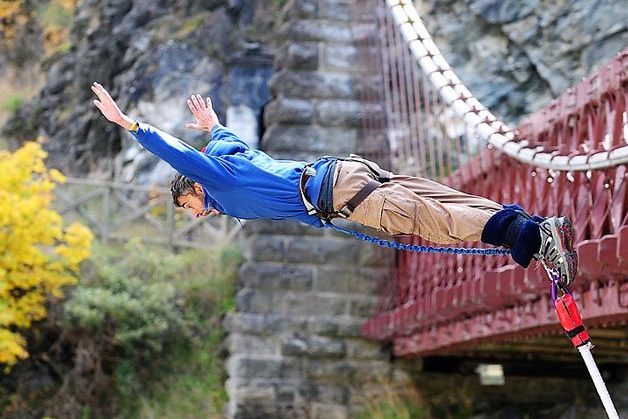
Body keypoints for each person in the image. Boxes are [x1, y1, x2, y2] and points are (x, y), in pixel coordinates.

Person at [90, 82, 578, 284]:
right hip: (344, 173)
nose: (197, 216)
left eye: (189, 208)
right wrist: (214, 126)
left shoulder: (216, 181)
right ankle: (534, 227)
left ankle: (531, 237)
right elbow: (223, 140)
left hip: (338, 193)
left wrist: (129, 125)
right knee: (441, 198)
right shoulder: (233, 158)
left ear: (192, 190)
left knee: (436, 220)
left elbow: (176, 153)